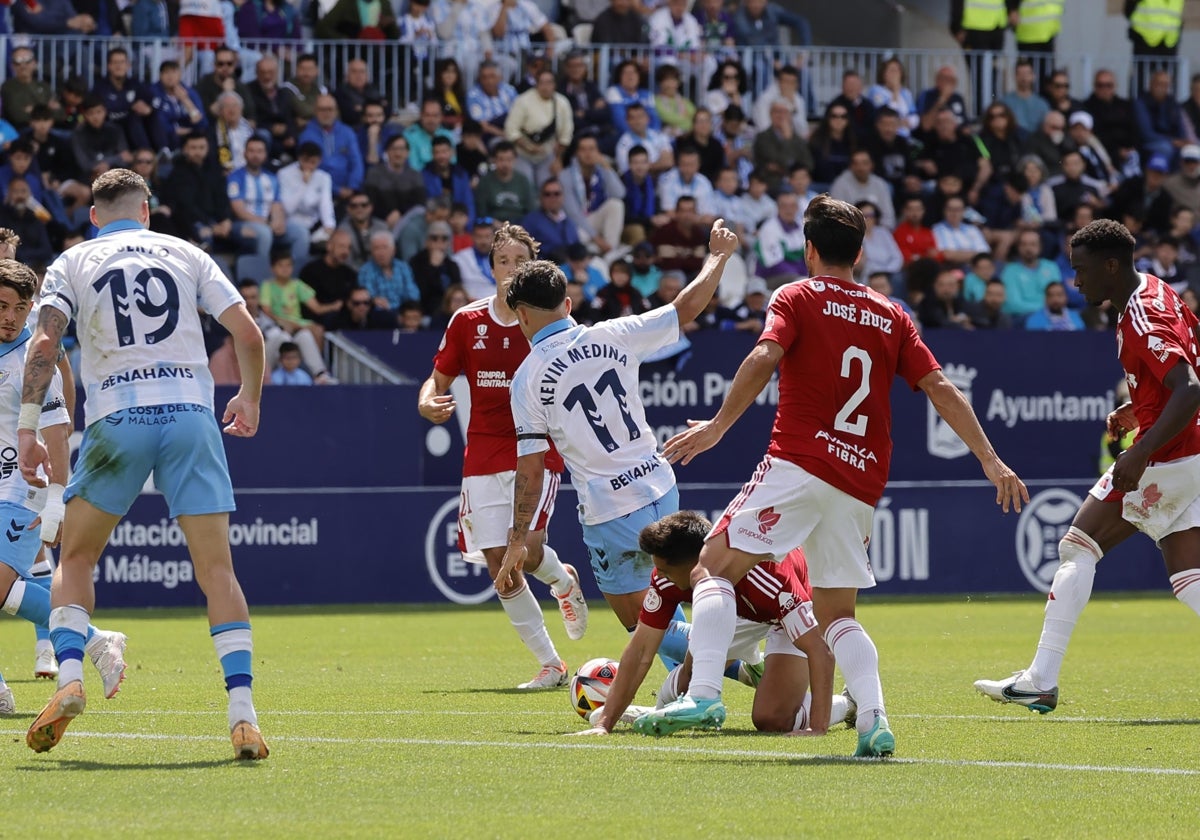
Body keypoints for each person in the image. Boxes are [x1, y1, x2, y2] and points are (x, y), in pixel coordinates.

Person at [638, 195, 1027, 754]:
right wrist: (991, 460)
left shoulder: (794, 295)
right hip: (861, 479)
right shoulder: (892, 314)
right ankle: (872, 721)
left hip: (798, 460)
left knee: (713, 566)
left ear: (809, 249)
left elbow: (765, 355)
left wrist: (720, 426)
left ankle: (702, 695)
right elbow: (940, 387)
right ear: (862, 253)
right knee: (838, 613)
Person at [19, 168, 269, 759]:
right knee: (218, 573)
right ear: (148, 209)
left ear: (95, 215)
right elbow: (250, 335)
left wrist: (29, 428)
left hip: (117, 419)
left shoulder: (73, 261)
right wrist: (250, 397)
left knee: (76, 556)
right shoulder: (187, 253)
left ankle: (72, 675)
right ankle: (242, 714)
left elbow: (44, 346)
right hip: (189, 415)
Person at [976, 218, 1200, 712]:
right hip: (1189, 455)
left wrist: (1140, 451)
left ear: (1111, 266)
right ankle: (1040, 678)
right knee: (1189, 578)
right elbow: (1190, 363)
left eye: (1081, 270)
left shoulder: (1144, 316)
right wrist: (1139, 406)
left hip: (1167, 458)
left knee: (1078, 545)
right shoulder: (1158, 289)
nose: (1075, 281)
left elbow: (1189, 388)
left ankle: (1041, 679)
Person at [497, 220, 740, 669]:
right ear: (568, 304)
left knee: (643, 620)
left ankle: (746, 657)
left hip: (610, 509)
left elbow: (531, 470)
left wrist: (516, 539)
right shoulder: (613, 333)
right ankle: (683, 692)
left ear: (522, 314)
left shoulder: (527, 379)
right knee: (666, 595)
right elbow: (685, 308)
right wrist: (717, 256)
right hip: (660, 486)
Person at [418, 223, 589, 689]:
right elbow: (438, 378)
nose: (510, 270)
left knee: (527, 550)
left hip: (536, 449)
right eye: (502, 261)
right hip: (482, 453)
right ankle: (551, 665)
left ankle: (561, 580)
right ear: (491, 267)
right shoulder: (467, 321)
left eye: (519, 262)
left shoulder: (550, 326)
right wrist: (427, 400)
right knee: (499, 565)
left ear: (532, 267)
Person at [575, 512, 837, 737]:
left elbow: (819, 651)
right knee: (691, 678)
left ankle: (847, 705)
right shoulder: (666, 577)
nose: (658, 577)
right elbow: (642, 648)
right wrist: (605, 724)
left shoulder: (768, 577)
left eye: (665, 570)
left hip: (786, 612)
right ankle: (662, 709)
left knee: (772, 719)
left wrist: (818, 727)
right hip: (733, 608)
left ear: (694, 564)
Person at [0, 259, 128, 716]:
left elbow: (57, 435)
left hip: (20, 492)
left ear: (31, 308)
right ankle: (97, 641)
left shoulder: (36, 363)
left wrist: (56, 500)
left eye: (18, 308)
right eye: (1, 306)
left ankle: (91, 641)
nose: (9, 317)